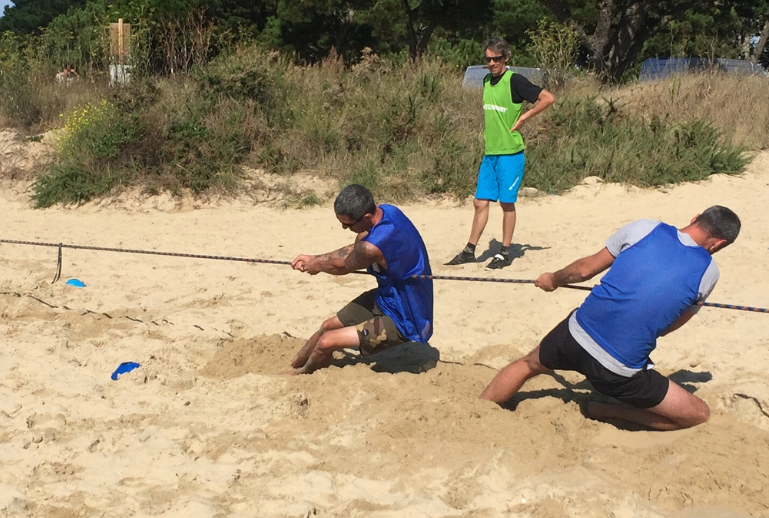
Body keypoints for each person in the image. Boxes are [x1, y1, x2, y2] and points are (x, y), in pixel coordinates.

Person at [479, 206, 741, 431]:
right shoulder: (709, 273)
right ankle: (606, 411)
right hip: (617, 370)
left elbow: (584, 271)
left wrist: (552, 279)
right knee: (698, 415)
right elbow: (668, 325)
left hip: (574, 335)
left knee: (527, 364)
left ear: (696, 218)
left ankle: (478, 408)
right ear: (718, 244)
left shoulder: (644, 227)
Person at [289, 184, 433, 374]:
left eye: (348, 224)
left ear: (365, 217)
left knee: (326, 342)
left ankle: (300, 375)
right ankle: (294, 365)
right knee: (327, 326)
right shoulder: (387, 210)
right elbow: (352, 250)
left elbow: (344, 265)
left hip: (406, 317)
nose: (343, 227)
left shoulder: (371, 248)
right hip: (387, 296)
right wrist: (314, 259)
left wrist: (316, 266)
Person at [447, 37, 554, 270]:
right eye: (488, 59)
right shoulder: (486, 81)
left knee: (506, 204)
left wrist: (524, 118)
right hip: (490, 153)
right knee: (479, 202)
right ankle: (469, 250)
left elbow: (548, 98)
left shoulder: (514, 80)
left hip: (511, 153)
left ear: (506, 58)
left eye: (496, 59)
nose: (492, 63)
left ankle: (505, 252)